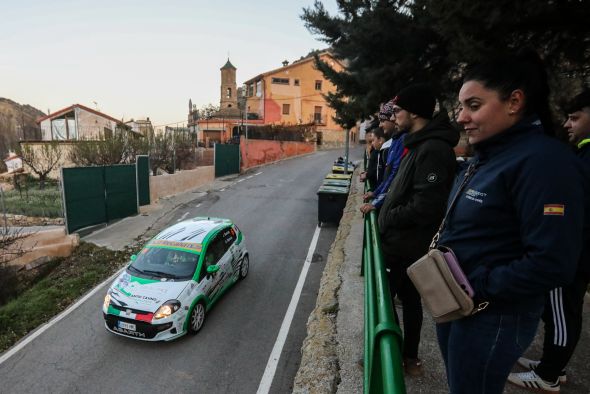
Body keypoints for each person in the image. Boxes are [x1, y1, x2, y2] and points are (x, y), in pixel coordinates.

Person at [435, 52, 586, 394]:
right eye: (461, 107)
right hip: (461, 303)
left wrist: (478, 285)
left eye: (473, 105)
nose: (462, 118)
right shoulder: (491, 155)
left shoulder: (545, 163)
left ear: (515, 101)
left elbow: (552, 262)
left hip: (492, 315)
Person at [507, 88, 590, 392]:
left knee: (562, 311)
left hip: (572, 252)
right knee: (561, 311)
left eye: (574, 118)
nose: (568, 125)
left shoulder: (583, 158)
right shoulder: (581, 153)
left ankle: (549, 374)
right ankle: (553, 363)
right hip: (576, 250)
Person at [377, 83, 459, 375]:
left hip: (405, 245)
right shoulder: (417, 142)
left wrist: (387, 218)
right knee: (409, 301)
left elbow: (427, 205)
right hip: (403, 243)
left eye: (397, 110)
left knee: (386, 304)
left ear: (413, 112)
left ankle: (395, 359)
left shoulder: (433, 149)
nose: (393, 115)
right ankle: (407, 358)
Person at [360, 99, 408, 214]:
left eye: (382, 120)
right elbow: (388, 177)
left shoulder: (402, 141)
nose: (380, 125)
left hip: (392, 209)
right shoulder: (397, 140)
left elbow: (394, 177)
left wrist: (376, 201)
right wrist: (376, 193)